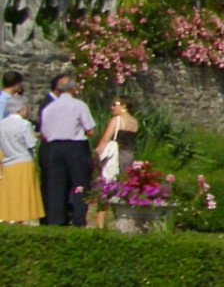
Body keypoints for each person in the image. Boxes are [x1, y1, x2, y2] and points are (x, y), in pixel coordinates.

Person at [38, 76, 92, 226]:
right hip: (75, 146)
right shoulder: (78, 105)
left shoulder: (49, 108)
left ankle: (56, 219)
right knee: (79, 182)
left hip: (54, 147)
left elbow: (44, 133)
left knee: (56, 184)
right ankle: (79, 217)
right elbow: (90, 130)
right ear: (73, 89)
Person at [0, 97, 45, 224]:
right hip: (23, 161)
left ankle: (11, 218)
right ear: (21, 109)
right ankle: (23, 219)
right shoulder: (24, 124)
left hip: (8, 161)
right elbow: (31, 144)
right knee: (24, 193)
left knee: (11, 193)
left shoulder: (1, 124)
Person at [97, 97, 140, 180]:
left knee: (111, 179)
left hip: (116, 155)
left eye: (114, 105)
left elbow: (106, 139)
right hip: (129, 155)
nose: (112, 108)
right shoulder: (135, 122)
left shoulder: (116, 120)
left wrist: (98, 153)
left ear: (124, 106)